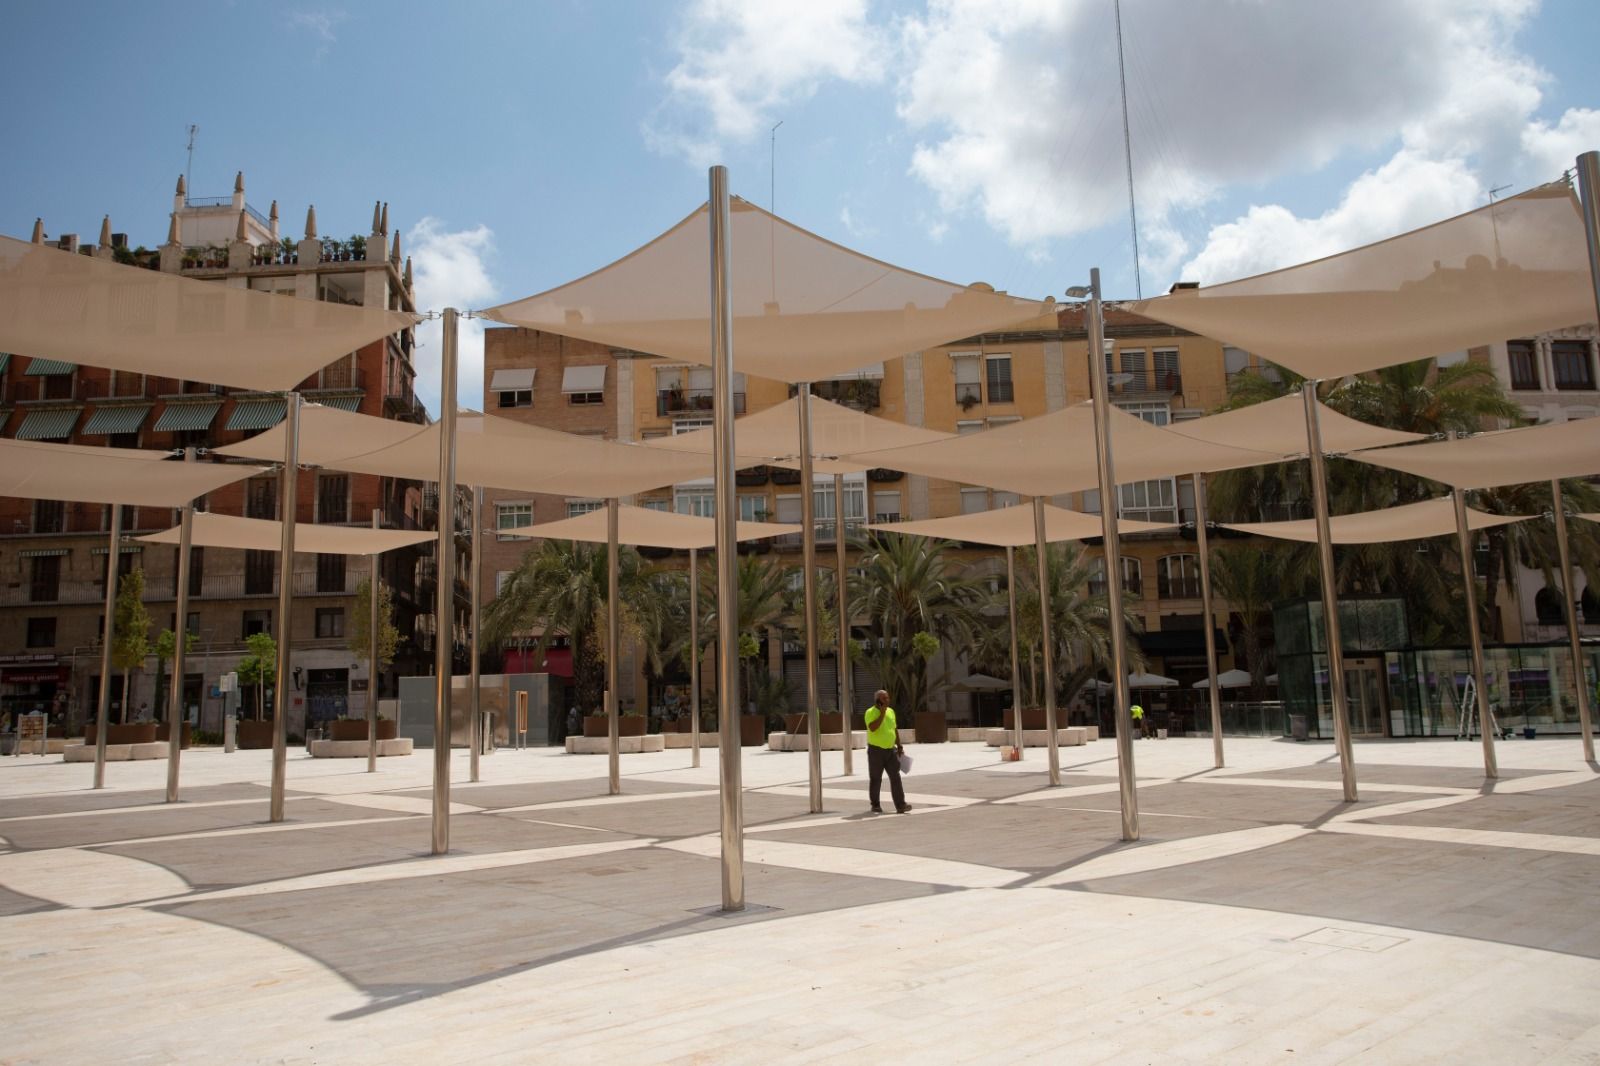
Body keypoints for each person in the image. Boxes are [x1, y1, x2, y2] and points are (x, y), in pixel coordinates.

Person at [864, 689, 911, 814]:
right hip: (876, 751)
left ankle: (901, 805)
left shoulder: (891, 712)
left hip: (891, 751)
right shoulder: (870, 712)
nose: (887, 700)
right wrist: (882, 713)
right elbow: (873, 728)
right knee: (876, 779)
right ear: (877, 700)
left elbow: (894, 729)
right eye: (884, 698)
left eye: (888, 698)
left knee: (895, 777)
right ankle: (875, 805)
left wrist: (899, 746)